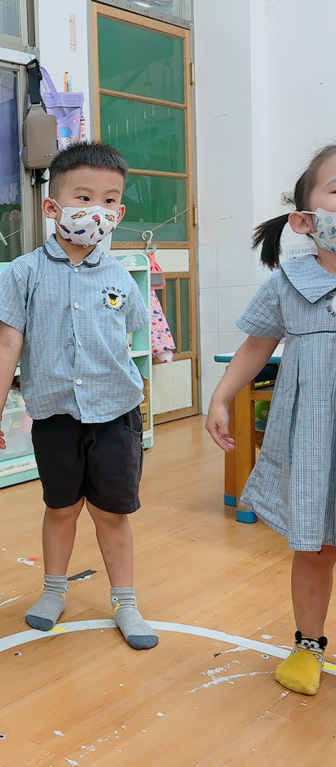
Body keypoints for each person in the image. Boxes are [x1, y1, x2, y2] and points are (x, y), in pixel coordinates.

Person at [0, 142, 157, 651]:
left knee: (112, 514)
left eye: (109, 200)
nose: (96, 210)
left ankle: (125, 601)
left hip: (115, 413)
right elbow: (7, 343)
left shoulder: (120, 274)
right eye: (83, 197)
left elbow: (130, 334)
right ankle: (53, 591)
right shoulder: (24, 271)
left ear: (119, 212)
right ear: (51, 206)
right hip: (55, 413)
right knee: (61, 507)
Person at [206, 144, 336, 696]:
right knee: (316, 547)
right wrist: (220, 397)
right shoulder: (289, 281)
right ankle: (308, 645)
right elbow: (256, 346)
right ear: (305, 219)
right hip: (313, 440)